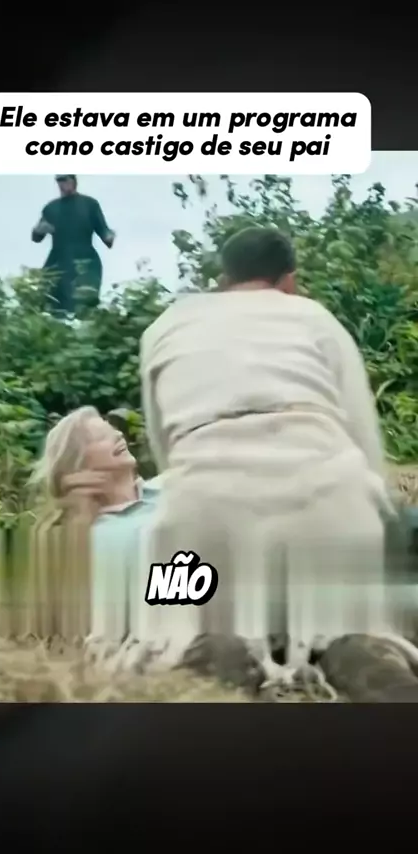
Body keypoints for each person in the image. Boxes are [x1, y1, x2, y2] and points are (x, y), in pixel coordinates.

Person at [139, 225, 396, 683]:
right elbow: (363, 437)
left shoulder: (164, 327)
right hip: (329, 497)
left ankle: (197, 647)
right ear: (289, 281)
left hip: (200, 509)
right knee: (358, 611)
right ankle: (344, 649)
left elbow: (166, 450)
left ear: (223, 279)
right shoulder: (314, 317)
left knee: (165, 612)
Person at [30, 406, 162, 654]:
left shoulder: (173, 486)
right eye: (102, 437)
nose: (118, 436)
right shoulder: (86, 538)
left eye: (113, 431)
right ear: (79, 463)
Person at [31, 175, 115, 314]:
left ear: (74, 181)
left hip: (85, 260)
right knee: (50, 301)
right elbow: (36, 237)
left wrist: (109, 236)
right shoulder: (51, 208)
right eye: (60, 180)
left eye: (66, 180)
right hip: (58, 261)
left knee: (85, 302)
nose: (63, 184)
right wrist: (39, 230)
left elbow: (103, 231)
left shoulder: (90, 204)